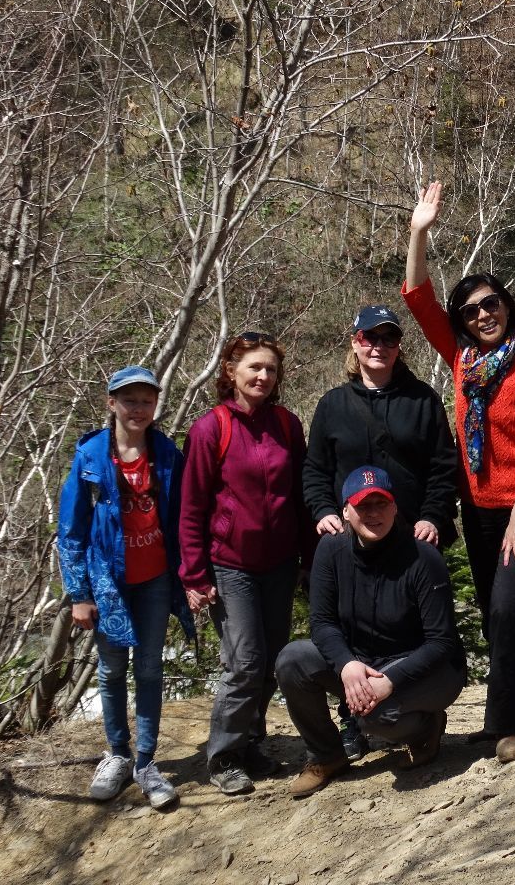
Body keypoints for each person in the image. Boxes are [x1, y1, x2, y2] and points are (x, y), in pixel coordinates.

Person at [400, 181, 515, 765]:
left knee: (508, 608)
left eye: (491, 304)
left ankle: (507, 724)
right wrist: (419, 230)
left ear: (507, 306)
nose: (483, 314)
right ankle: (513, 711)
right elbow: (415, 296)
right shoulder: (463, 360)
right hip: (478, 507)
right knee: (493, 614)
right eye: (471, 310)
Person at [303, 302, 459, 760]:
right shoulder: (333, 405)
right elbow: (315, 469)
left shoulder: (422, 400)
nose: (380, 346)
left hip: (411, 541)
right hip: (352, 537)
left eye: (389, 338)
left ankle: (409, 707)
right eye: (370, 337)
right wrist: (323, 510)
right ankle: (349, 723)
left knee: (409, 629)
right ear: (356, 342)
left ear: (399, 347)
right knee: (351, 627)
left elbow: (442, 468)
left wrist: (433, 516)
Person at [276, 466, 466, 799]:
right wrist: (347, 665)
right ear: (346, 511)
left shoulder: (422, 557)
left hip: (429, 668)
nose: (373, 513)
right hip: (363, 661)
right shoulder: (330, 551)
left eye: (382, 504)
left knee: (374, 718)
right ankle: (327, 755)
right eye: (364, 506)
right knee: (293, 659)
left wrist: (389, 682)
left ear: (395, 507)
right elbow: (321, 622)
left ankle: (426, 727)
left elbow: (442, 642)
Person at [180, 332, 314, 794]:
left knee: (271, 659)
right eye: (254, 367)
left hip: (279, 562)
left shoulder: (286, 425)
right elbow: (192, 506)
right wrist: (194, 575)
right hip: (229, 564)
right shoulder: (210, 429)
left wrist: (308, 558)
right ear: (231, 372)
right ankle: (224, 756)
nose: (263, 376)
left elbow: (300, 496)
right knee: (244, 660)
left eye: (270, 369)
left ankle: (251, 743)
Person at [58, 365, 190, 809]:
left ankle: (147, 762)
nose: (138, 408)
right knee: (112, 671)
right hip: (108, 584)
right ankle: (117, 754)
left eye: (146, 400)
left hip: (154, 578)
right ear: (111, 402)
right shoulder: (91, 457)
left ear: (155, 405)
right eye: (129, 400)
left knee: (150, 668)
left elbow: (183, 518)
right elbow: (71, 529)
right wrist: (78, 594)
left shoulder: (166, 454)